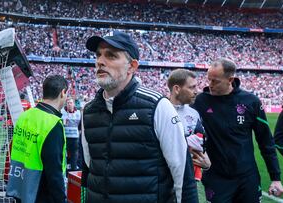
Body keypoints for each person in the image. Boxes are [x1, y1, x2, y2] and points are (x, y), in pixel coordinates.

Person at [81, 31, 198, 203]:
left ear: (132, 66)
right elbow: (91, 166)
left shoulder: (158, 107)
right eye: (98, 55)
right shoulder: (88, 111)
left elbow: (182, 174)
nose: (100, 61)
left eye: (111, 56)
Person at [192, 58, 283, 203]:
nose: (210, 85)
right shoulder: (200, 101)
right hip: (216, 177)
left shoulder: (250, 101)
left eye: (215, 81)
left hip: (247, 177)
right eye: (208, 80)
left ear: (230, 79)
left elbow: (266, 141)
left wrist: (275, 178)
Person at [6, 75, 68, 203]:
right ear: (63, 92)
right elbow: (54, 171)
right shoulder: (52, 123)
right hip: (40, 193)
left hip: (20, 188)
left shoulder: (25, 116)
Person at [168, 69, 211, 181]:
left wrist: (206, 164)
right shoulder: (159, 111)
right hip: (165, 179)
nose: (196, 91)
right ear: (177, 89)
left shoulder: (194, 114)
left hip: (188, 180)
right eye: (192, 87)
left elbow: (201, 144)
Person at [61, 97, 81, 171]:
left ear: (73, 104)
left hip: (75, 138)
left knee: (74, 154)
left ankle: (74, 168)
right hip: (64, 137)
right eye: (68, 103)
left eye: (71, 103)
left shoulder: (78, 113)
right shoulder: (62, 112)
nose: (69, 104)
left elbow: (80, 126)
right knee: (63, 154)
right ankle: (64, 168)